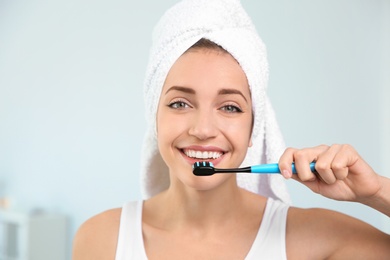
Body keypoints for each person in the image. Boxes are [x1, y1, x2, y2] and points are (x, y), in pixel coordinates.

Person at [72, 0, 390, 259]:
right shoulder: (101, 239)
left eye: (230, 107)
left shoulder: (313, 241)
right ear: (154, 117)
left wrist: (376, 192)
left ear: (255, 128)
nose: (203, 129)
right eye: (180, 103)